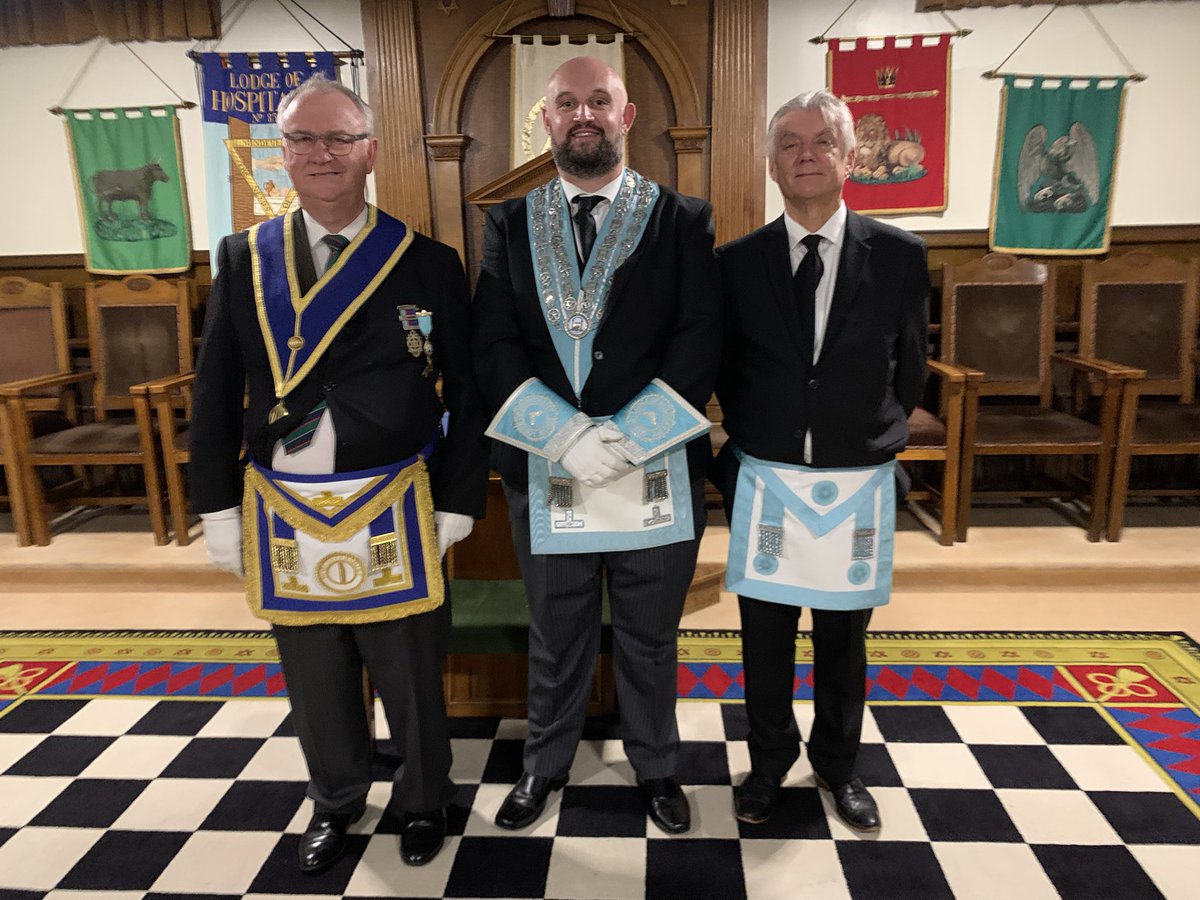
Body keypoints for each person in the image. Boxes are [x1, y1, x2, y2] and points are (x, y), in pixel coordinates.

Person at [188, 74, 489, 872]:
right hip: (284, 499)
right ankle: (337, 800)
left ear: (371, 153)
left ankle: (425, 798)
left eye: (339, 139)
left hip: (393, 494)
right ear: (281, 155)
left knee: (412, 670)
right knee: (316, 676)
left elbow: (466, 384)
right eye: (302, 140)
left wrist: (459, 498)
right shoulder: (243, 256)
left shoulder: (427, 261)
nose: (321, 155)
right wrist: (216, 507)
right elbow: (216, 388)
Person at [472, 56, 721, 835]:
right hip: (549, 468)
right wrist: (566, 436)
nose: (584, 113)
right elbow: (493, 342)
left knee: (651, 636)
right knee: (557, 631)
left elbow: (699, 337)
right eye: (567, 102)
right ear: (545, 121)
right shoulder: (508, 223)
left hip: (657, 467)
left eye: (600, 101)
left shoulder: (683, 217)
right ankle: (544, 765)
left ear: (628, 115)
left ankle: (656, 768)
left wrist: (629, 436)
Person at [713, 89, 928, 833]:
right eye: (790, 143)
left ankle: (839, 765)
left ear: (850, 158)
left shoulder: (900, 256)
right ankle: (768, 763)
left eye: (821, 141)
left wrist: (866, 441)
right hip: (767, 480)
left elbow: (912, 371)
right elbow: (725, 368)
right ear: (771, 164)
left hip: (856, 483)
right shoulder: (735, 264)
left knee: (843, 642)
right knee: (764, 642)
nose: (806, 154)